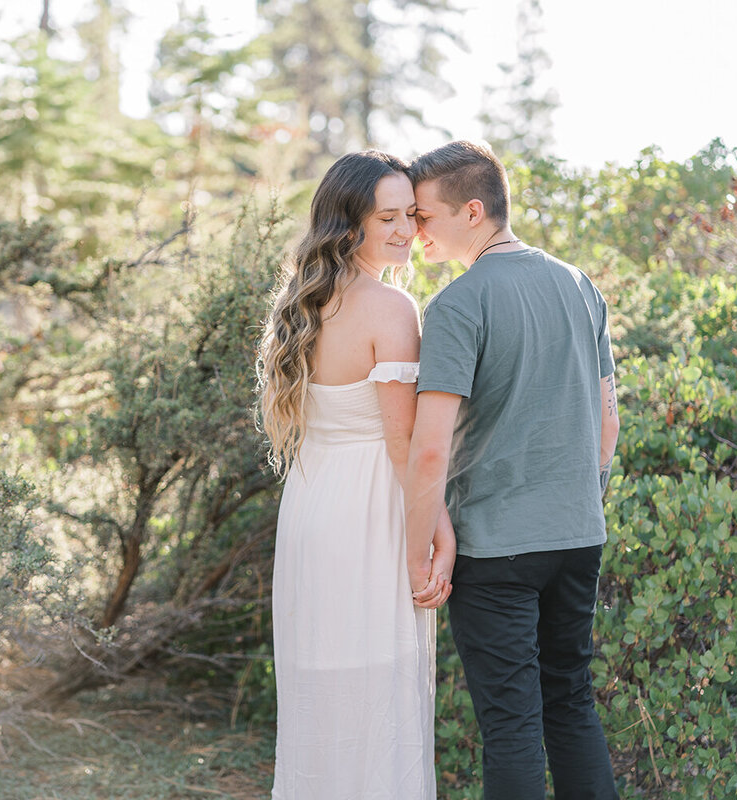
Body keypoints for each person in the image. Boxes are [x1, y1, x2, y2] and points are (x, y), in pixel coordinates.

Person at [402, 140, 620, 800]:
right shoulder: (580, 285)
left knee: (512, 728)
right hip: (578, 534)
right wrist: (580, 497)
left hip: (495, 548)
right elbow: (608, 424)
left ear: (472, 212)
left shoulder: (457, 305)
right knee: (572, 706)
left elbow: (431, 449)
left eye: (422, 216)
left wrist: (419, 555)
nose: (415, 231)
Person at [257, 150, 456, 799]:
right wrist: (434, 537)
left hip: (312, 507)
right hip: (372, 513)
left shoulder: (302, 300)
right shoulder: (392, 309)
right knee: (380, 686)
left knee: (321, 685)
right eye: (389, 218)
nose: (406, 231)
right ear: (350, 225)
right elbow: (405, 443)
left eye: (412, 216)